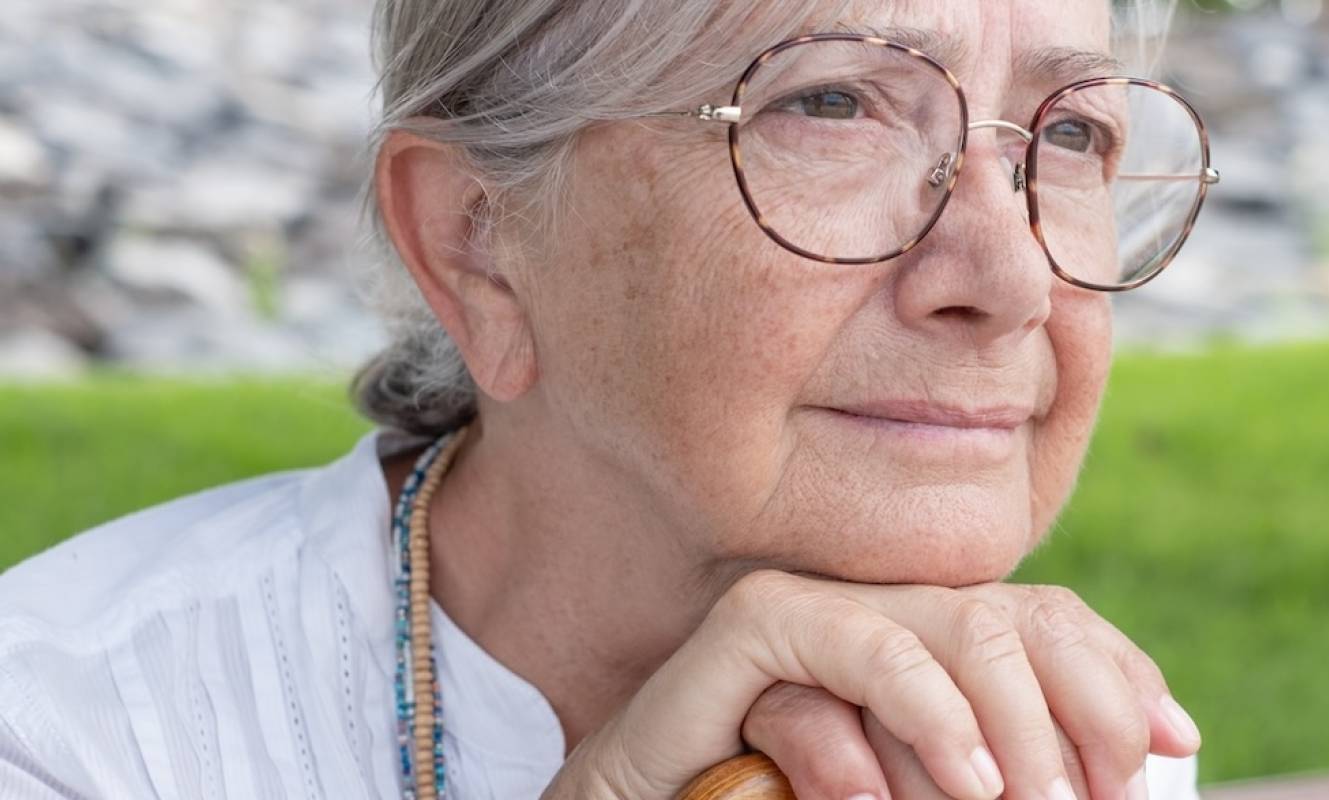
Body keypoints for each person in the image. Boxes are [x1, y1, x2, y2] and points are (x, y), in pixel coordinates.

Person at [0, 0, 1220, 797]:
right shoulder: (69, 732)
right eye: (833, 102)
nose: (1009, 279)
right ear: (480, 244)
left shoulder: (1048, 729)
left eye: (1072, 137)